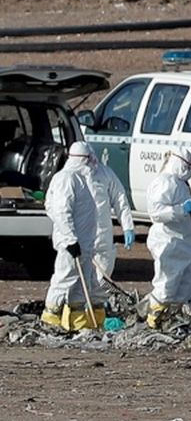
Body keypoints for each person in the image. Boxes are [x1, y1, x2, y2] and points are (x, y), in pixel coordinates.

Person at [40, 142, 105, 331]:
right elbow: (61, 211)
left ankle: (77, 322)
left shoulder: (80, 179)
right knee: (64, 278)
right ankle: (50, 318)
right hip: (72, 242)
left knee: (80, 282)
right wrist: (70, 239)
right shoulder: (66, 179)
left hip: (83, 242)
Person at [146, 148, 191, 328]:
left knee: (183, 284)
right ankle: (154, 318)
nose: (188, 169)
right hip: (168, 240)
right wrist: (179, 210)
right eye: (185, 165)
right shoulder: (165, 182)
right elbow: (156, 213)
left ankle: (172, 318)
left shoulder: (180, 183)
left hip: (183, 240)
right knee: (167, 283)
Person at [84, 147, 135, 281]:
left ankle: (98, 300)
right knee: (78, 276)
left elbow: (120, 200)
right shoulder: (67, 178)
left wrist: (127, 226)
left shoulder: (105, 173)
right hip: (80, 235)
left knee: (103, 272)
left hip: (102, 234)